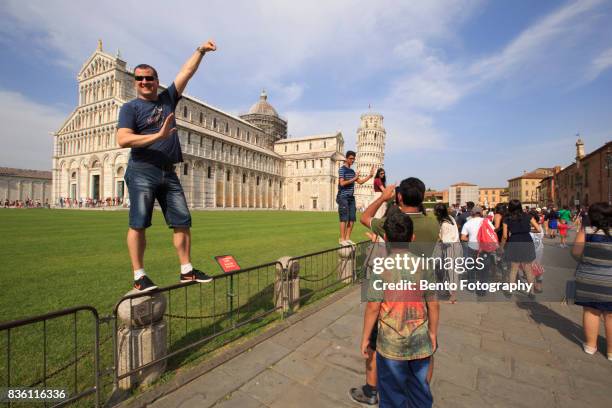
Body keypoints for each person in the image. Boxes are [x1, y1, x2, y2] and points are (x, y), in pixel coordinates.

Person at [116, 39, 217, 291]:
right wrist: (158, 137)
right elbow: (123, 139)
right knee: (138, 223)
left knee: (183, 221)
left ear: (156, 80)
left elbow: (187, 72)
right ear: (134, 82)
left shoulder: (167, 99)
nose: (144, 82)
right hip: (142, 170)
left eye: (149, 78)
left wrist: (200, 51)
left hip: (169, 172)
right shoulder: (130, 108)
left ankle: (187, 271)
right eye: (139, 78)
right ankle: (139, 276)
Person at [350, 178, 439, 405]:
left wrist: (383, 197)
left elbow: (364, 218)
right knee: (423, 358)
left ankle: (371, 390)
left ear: (399, 197)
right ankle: (418, 393)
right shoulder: (432, 224)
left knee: (376, 347)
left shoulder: (393, 222)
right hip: (419, 298)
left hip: (391, 299)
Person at [571, 203, 612, 360]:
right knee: (610, 315)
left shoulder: (587, 231)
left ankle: (590, 346)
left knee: (591, 311)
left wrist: (586, 260)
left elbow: (575, 252)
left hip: (588, 277)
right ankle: (610, 352)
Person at [501, 199, 541, 296]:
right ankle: (531, 291)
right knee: (528, 269)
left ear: (510, 207)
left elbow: (505, 236)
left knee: (513, 268)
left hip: (514, 242)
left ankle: (510, 290)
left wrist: (501, 247)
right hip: (527, 241)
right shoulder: (528, 216)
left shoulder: (507, 218)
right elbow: (538, 229)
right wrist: (527, 230)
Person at [337, 151, 374, 244]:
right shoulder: (342, 170)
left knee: (352, 218)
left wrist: (370, 176)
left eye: (353, 159)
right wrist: (354, 178)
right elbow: (342, 183)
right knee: (344, 218)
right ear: (346, 158)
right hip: (343, 196)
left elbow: (360, 182)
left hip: (351, 197)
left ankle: (347, 238)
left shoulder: (352, 171)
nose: (352, 160)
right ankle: (342, 239)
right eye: (351, 158)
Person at [433, 203, 463, 303]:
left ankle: (453, 296)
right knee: (450, 270)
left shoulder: (445, 224)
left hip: (450, 247)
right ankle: (449, 292)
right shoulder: (450, 218)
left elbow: (444, 239)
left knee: (451, 271)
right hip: (456, 245)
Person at [460, 205, 494, 292]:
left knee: (471, 268)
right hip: (484, 248)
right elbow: (493, 233)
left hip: (472, 247)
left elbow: (463, 238)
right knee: (484, 269)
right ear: (481, 213)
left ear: (472, 213)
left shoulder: (468, 223)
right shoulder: (487, 222)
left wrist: (471, 239)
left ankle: (471, 286)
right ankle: (482, 289)